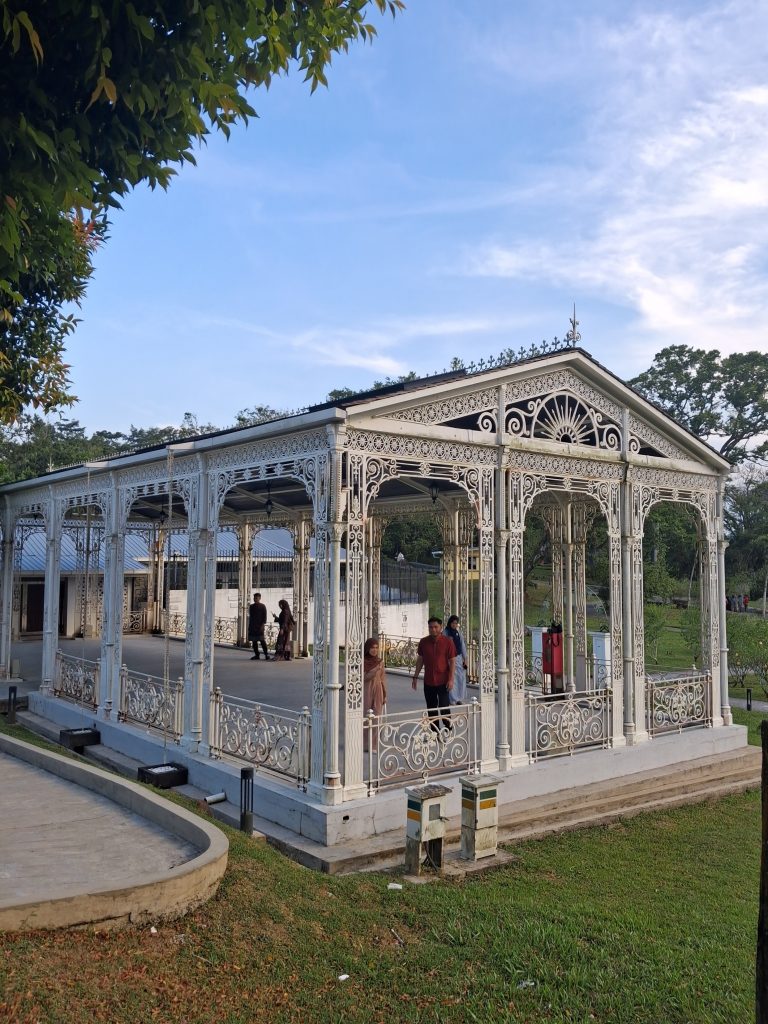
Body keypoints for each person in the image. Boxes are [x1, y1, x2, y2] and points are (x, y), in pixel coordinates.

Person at [412, 616, 455, 730]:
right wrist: (415, 676)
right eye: (431, 627)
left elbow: (452, 661)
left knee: (443, 706)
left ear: (441, 627)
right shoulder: (423, 642)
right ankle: (435, 732)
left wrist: (451, 679)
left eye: (436, 627)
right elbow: (420, 660)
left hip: (443, 680)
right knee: (431, 708)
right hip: (429, 681)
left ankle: (448, 727)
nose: (433, 629)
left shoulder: (448, 642)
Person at [363, 637, 387, 752]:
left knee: (376, 717)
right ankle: (364, 744)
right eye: (372, 647)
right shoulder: (362, 662)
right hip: (367, 690)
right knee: (366, 717)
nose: (374, 650)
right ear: (367, 648)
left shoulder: (380, 662)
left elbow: (383, 679)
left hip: (378, 690)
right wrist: (374, 671)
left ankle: (373, 745)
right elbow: (363, 678)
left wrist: (385, 694)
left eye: (377, 648)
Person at [443, 615, 468, 705]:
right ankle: (452, 698)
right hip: (449, 658)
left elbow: (462, 645)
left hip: (459, 658)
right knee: (452, 677)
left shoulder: (458, 632)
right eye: (453, 623)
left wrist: (465, 658)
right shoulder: (445, 632)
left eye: (456, 623)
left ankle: (459, 698)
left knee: (460, 678)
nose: (454, 625)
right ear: (450, 623)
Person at [248, 593, 270, 660]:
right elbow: (251, 617)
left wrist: (262, 625)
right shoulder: (251, 606)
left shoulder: (262, 606)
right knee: (254, 642)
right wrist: (250, 626)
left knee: (262, 641)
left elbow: (264, 617)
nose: (255, 599)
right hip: (253, 626)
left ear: (259, 598)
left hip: (260, 626)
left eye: (257, 598)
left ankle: (266, 654)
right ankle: (257, 655)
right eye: (254, 598)